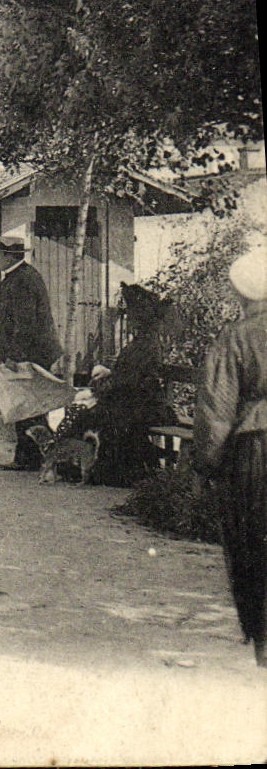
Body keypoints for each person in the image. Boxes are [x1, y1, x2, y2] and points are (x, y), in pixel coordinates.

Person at [191, 247, 267, 668]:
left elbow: (216, 409)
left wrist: (205, 466)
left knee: (252, 543)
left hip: (255, 449)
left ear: (241, 294)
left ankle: (262, 640)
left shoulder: (235, 338)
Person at [60, 283, 180, 486]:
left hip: (145, 404)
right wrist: (109, 376)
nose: (130, 320)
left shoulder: (147, 344)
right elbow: (127, 375)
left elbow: (132, 380)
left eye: (132, 316)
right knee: (92, 414)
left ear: (141, 319)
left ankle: (106, 469)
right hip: (132, 400)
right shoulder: (141, 341)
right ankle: (85, 464)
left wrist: (108, 383)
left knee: (104, 416)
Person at [0, 237, 63, 471]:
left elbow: (25, 323)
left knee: (28, 406)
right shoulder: (20, 277)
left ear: (10, 257)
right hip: (31, 351)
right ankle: (31, 456)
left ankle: (33, 457)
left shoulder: (23, 280)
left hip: (31, 352)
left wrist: (15, 355)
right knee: (27, 405)